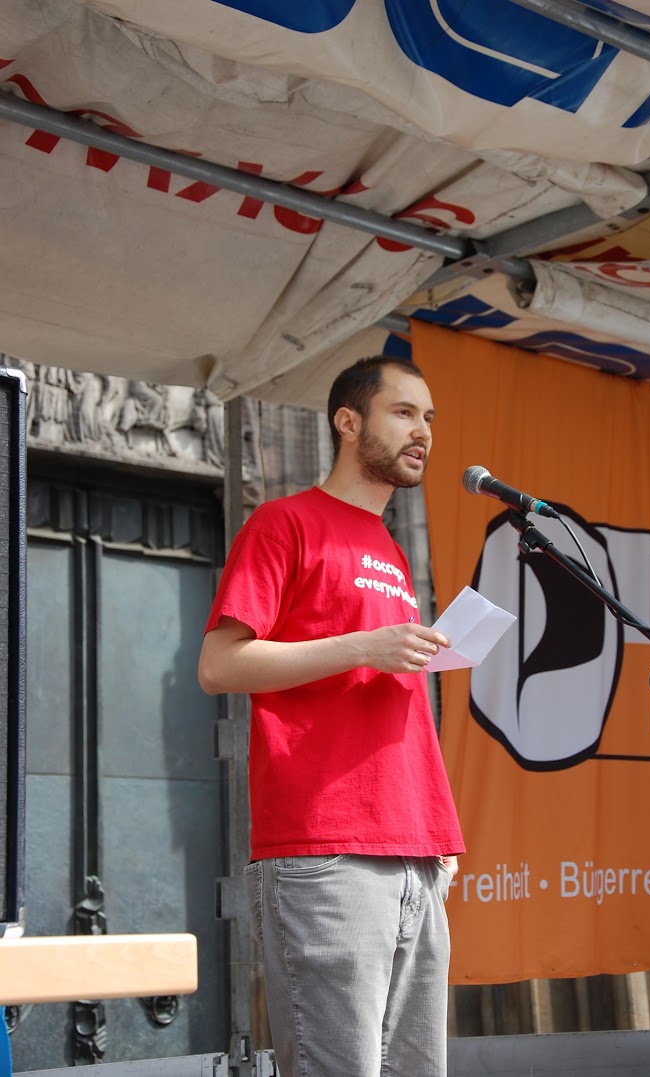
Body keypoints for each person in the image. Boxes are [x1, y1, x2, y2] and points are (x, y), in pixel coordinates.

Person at [198, 355, 465, 1077]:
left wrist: (433, 835)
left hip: (413, 850)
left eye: (429, 418)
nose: (423, 431)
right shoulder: (284, 523)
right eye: (403, 412)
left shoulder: (390, 549)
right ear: (349, 422)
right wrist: (364, 645)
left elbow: (380, 694)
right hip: (327, 849)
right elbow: (219, 664)